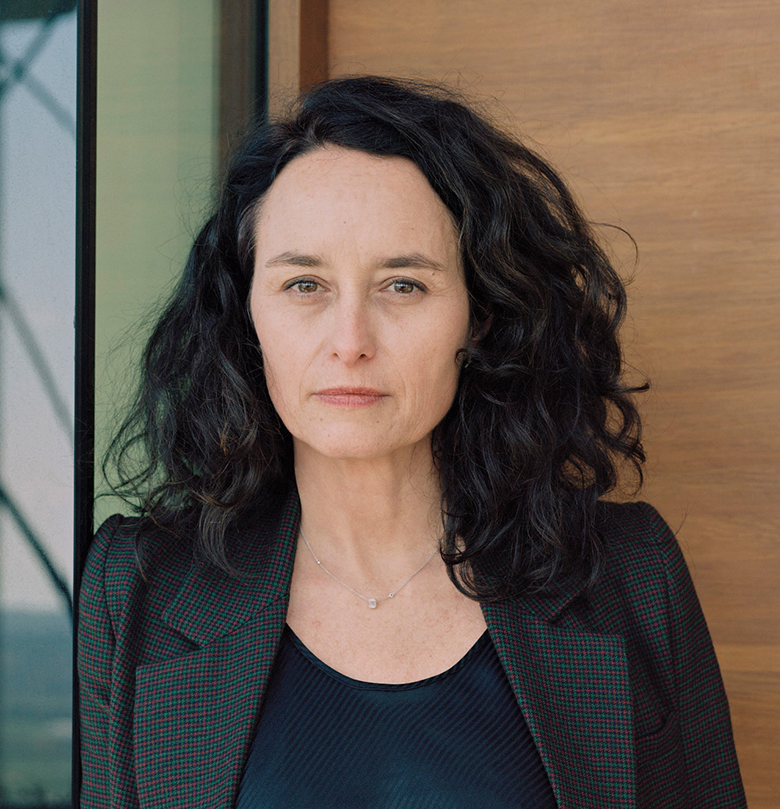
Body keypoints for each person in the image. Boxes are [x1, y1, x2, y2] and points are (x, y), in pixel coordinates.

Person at [78, 75, 746, 808]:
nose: (350, 341)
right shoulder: (138, 588)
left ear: (479, 316)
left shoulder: (630, 575)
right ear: (247, 316)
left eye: (403, 285)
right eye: (304, 284)